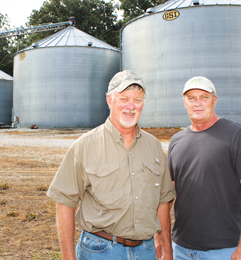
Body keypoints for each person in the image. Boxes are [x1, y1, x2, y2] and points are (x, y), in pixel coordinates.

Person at [46, 70, 176, 260]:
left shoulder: (154, 146)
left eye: (138, 100)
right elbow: (64, 203)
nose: (131, 106)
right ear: (110, 100)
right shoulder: (85, 146)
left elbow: (163, 202)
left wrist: (167, 250)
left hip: (146, 251)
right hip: (101, 251)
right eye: (123, 98)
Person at [167, 76, 241, 260]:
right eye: (192, 98)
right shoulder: (176, 141)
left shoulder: (237, 135)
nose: (198, 103)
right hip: (181, 249)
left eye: (204, 97)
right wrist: (163, 240)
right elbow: (166, 195)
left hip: (224, 250)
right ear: (184, 102)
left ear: (215, 101)